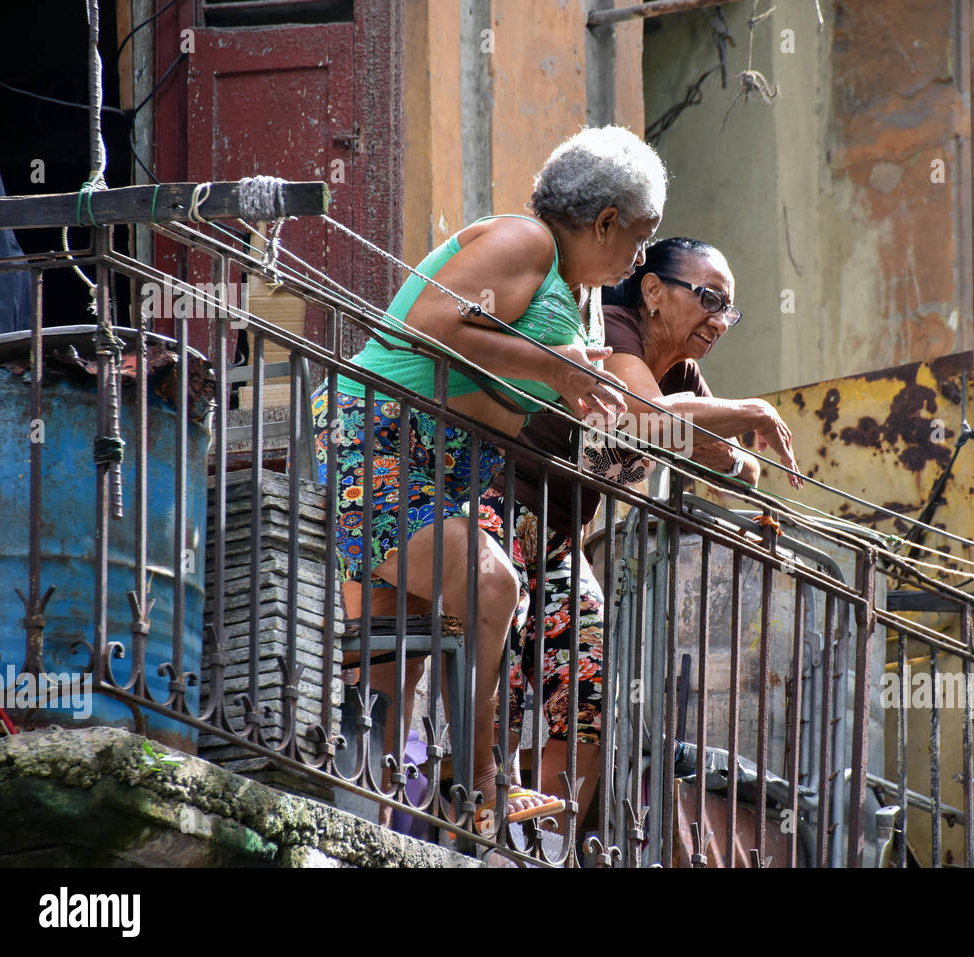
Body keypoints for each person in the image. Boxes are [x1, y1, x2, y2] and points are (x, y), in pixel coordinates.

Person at [311, 126, 667, 830]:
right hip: (379, 444)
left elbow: (540, 362)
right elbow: (428, 325)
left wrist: (582, 376)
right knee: (493, 582)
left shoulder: (572, 291)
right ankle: (482, 785)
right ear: (604, 222)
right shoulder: (526, 240)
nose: (640, 256)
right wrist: (556, 368)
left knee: (392, 668)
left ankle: (366, 830)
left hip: (434, 473)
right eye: (641, 236)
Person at [479, 237, 802, 833]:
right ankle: (475, 813)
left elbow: (732, 469)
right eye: (710, 298)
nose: (721, 320)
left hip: (555, 535)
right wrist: (740, 413)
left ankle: (543, 842)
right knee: (505, 679)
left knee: (590, 689)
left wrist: (708, 437)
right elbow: (636, 416)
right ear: (653, 291)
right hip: (494, 509)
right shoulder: (618, 329)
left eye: (730, 309)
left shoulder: (679, 372)